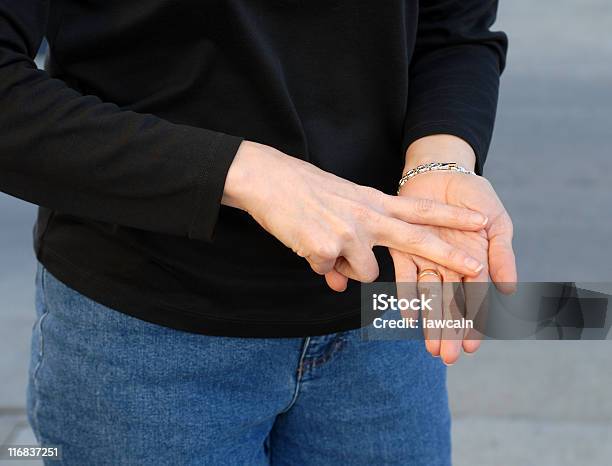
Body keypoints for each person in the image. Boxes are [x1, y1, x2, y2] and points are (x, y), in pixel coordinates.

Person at [0, 0, 516, 464]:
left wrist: (441, 160)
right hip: (147, 337)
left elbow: (453, 25)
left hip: (387, 309)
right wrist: (245, 172)